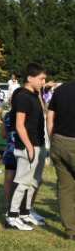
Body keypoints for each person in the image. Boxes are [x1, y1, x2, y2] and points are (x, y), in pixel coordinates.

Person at [6, 62, 48, 231]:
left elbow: (43, 112)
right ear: (30, 78)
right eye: (41, 79)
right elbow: (19, 124)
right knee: (22, 181)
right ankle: (12, 216)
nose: (44, 82)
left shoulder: (34, 94)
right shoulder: (23, 96)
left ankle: (25, 212)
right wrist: (29, 146)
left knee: (34, 181)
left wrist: (40, 92)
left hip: (39, 143)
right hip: (28, 145)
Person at [46, 79, 75, 240]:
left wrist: (52, 142)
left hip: (59, 141)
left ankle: (70, 231)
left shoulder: (61, 89)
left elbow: (49, 117)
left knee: (65, 188)